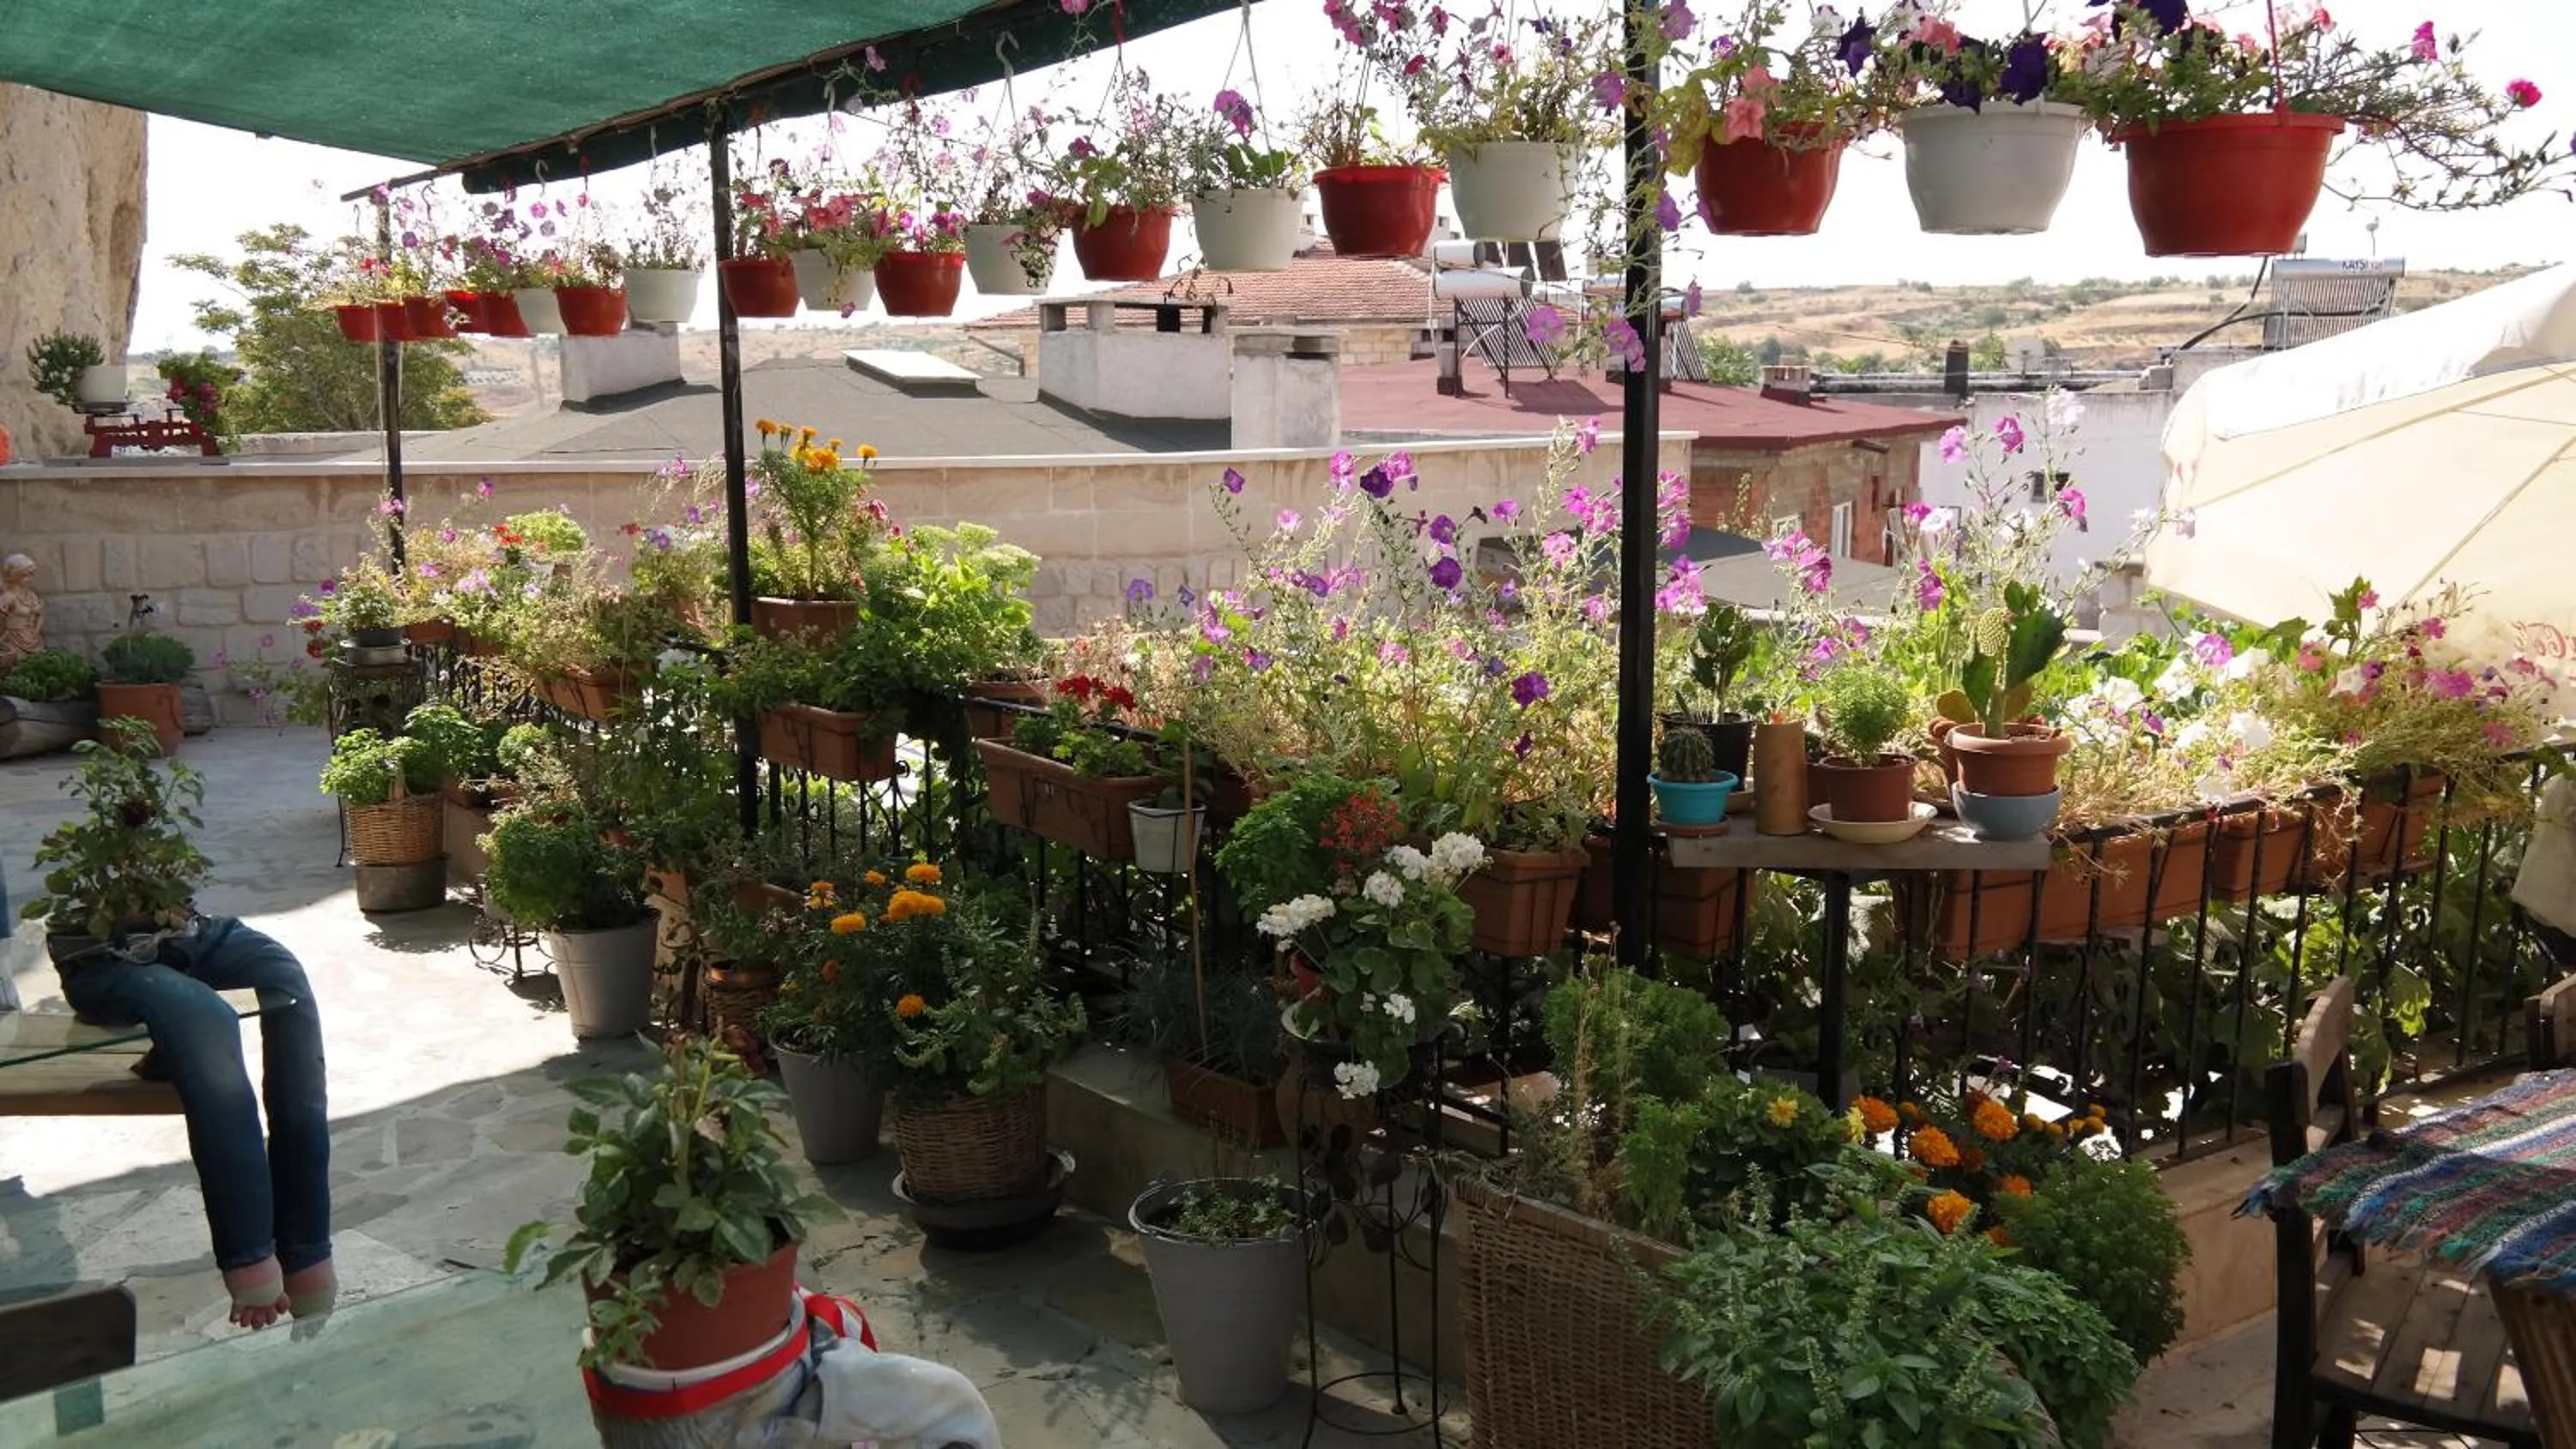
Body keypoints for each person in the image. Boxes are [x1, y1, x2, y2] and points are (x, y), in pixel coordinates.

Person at [53, 919, 335, 1330]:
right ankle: (249, 1253)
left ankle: (306, 1245)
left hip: (181, 933)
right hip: (97, 956)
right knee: (200, 1013)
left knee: (281, 972)